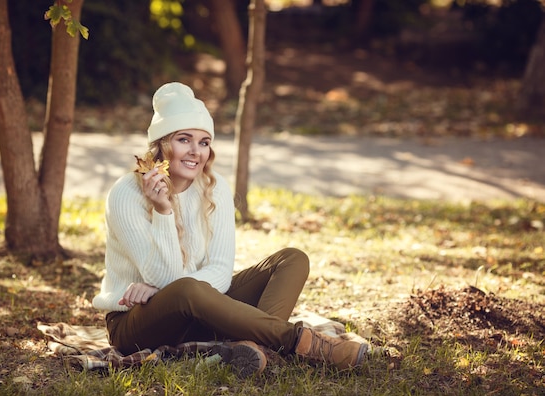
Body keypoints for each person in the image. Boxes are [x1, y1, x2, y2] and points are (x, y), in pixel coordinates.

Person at [92, 82, 369, 377]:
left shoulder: (215, 188)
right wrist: (163, 210)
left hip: (199, 308)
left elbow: (221, 272)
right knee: (187, 289)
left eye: (204, 142)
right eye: (184, 139)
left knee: (292, 258)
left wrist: (167, 288)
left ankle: (255, 348)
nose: (196, 152)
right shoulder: (126, 194)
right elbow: (164, 276)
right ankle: (302, 343)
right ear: (162, 144)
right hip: (136, 323)